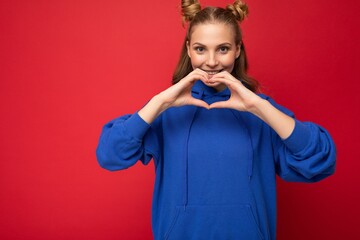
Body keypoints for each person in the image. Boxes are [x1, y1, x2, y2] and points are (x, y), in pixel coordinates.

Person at [96, 0, 336, 239]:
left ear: (238, 49)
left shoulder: (262, 111)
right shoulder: (165, 112)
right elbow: (110, 154)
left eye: (223, 49)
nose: (211, 61)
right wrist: (159, 102)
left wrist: (259, 106)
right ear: (189, 49)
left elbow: (320, 160)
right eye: (201, 49)